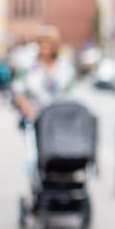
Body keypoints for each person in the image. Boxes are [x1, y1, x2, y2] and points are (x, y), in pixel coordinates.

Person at [12, 34, 76, 190]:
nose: (45, 48)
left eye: (48, 45)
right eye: (42, 44)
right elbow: (18, 92)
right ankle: (38, 186)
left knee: (62, 152)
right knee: (34, 157)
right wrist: (30, 113)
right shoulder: (28, 67)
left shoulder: (65, 67)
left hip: (59, 119)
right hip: (35, 118)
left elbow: (70, 93)